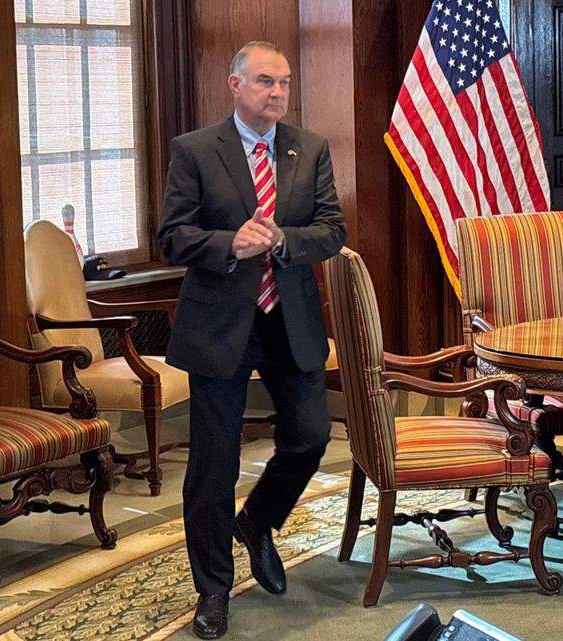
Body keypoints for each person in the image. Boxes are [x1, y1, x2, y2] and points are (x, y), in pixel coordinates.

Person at [157, 40, 346, 640]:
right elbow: (172, 236)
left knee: (312, 436)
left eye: (285, 82)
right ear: (234, 84)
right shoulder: (194, 151)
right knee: (214, 465)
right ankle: (212, 592)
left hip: (290, 322)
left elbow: (331, 230)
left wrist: (284, 241)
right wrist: (226, 246)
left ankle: (258, 520)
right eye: (265, 81)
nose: (278, 92)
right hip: (220, 327)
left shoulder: (308, 148)